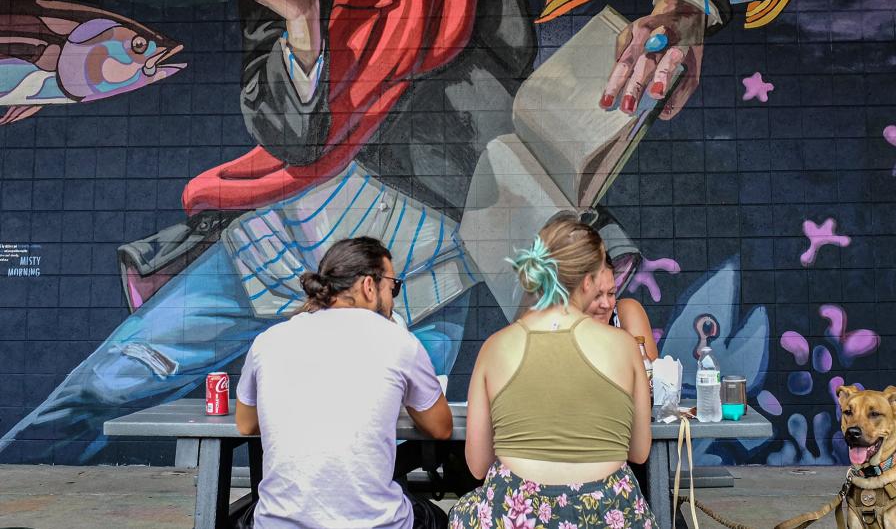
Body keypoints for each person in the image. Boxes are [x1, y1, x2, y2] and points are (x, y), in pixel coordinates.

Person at [0, 0, 737, 463]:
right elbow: (290, 136)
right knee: (94, 394)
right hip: (298, 217)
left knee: (384, 447)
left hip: (441, 237)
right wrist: (299, 27)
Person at [449, 213, 659, 528]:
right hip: (606, 514)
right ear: (588, 281)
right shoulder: (624, 346)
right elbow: (640, 451)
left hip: (515, 514)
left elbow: (477, 466)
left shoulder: (495, 348)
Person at [235, 236, 453, 529]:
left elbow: (247, 424)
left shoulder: (268, 341)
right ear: (368, 286)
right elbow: (440, 428)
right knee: (436, 517)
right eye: (393, 288)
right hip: (376, 524)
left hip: (279, 523)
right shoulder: (400, 343)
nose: (392, 300)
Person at [588, 253, 659, 359]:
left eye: (611, 293)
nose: (606, 304)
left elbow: (647, 369)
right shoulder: (559, 325)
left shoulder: (625, 311)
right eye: (597, 295)